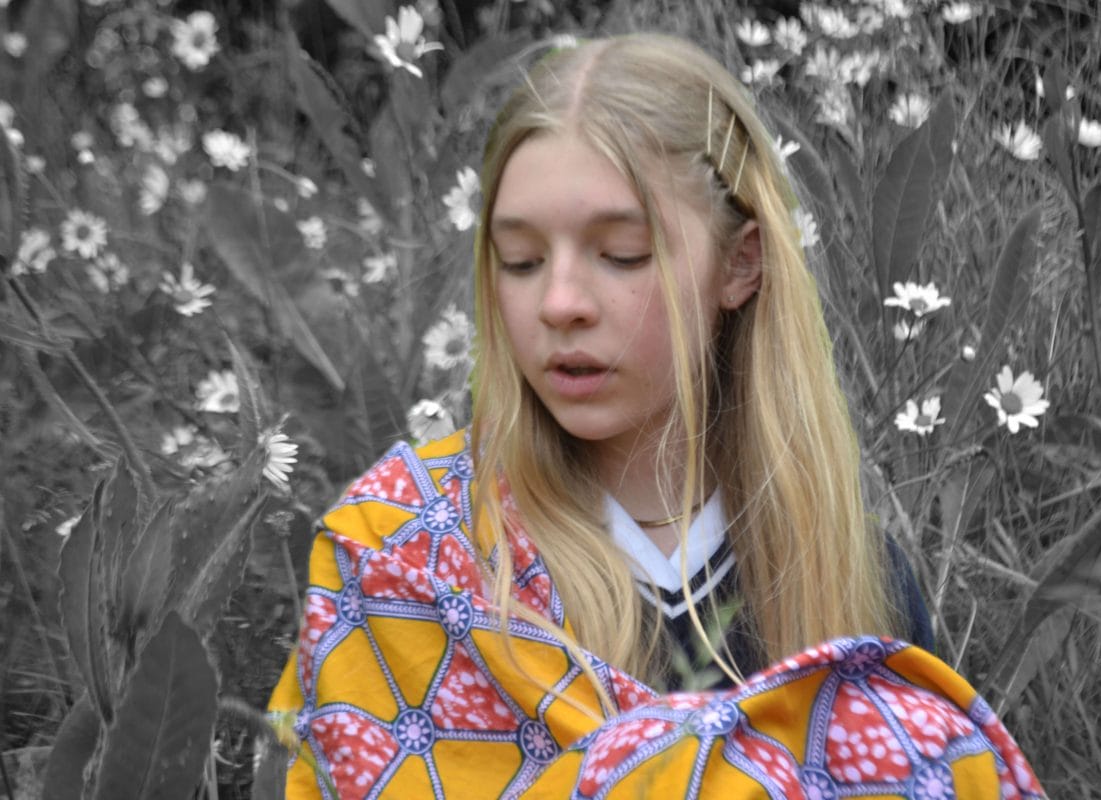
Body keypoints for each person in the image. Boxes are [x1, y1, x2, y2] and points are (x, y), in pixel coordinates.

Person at [268, 32, 1045, 799]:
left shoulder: (856, 574)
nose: (560, 303)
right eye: (521, 260)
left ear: (740, 264)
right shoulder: (405, 556)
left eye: (623, 252)